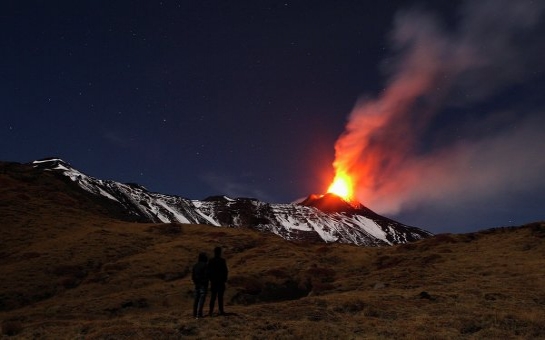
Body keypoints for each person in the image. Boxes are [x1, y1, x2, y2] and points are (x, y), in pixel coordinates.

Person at [208, 246, 228, 316]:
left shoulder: (211, 261)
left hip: (214, 281)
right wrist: (224, 279)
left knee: (213, 297)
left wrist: (210, 279)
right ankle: (221, 310)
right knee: (220, 297)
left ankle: (210, 311)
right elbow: (225, 271)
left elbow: (208, 271)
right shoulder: (222, 261)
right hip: (220, 281)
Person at [192, 252, 209, 319]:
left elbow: (193, 276)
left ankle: (194, 314)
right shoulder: (205, 265)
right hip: (203, 284)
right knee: (201, 300)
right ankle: (199, 314)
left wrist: (196, 282)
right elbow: (206, 275)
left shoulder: (195, 266)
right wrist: (205, 282)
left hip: (197, 284)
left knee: (196, 299)